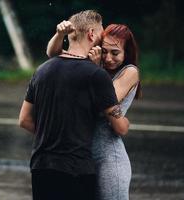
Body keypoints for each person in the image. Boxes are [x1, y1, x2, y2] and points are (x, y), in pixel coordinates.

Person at [19, 10, 130, 200]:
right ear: (91, 34)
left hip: (41, 167)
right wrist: (125, 121)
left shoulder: (42, 70)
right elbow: (120, 127)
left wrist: (53, 135)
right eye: (101, 33)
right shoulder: (96, 75)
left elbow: (24, 120)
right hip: (76, 169)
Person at [46, 21, 142, 200]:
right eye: (104, 51)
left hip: (109, 159)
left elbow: (106, 99)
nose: (108, 58)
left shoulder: (130, 72)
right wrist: (60, 35)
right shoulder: (95, 67)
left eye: (115, 53)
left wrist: (94, 68)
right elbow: (53, 54)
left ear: (126, 53)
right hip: (83, 158)